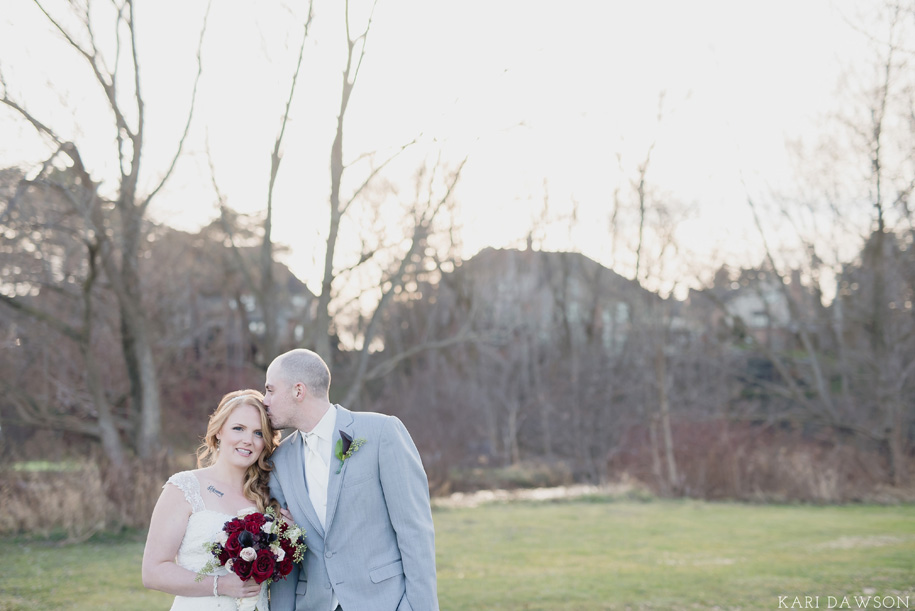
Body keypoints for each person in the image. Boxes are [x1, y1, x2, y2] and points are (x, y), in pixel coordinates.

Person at [265, 348, 439, 611]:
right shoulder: (279, 461)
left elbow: (414, 531)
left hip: (383, 603)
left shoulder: (381, 433)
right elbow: (285, 556)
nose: (264, 400)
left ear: (298, 391)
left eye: (270, 390)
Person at [142, 389, 280, 610]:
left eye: (258, 433)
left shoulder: (269, 497)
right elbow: (153, 572)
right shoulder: (184, 487)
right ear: (219, 431)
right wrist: (222, 585)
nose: (248, 440)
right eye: (238, 428)